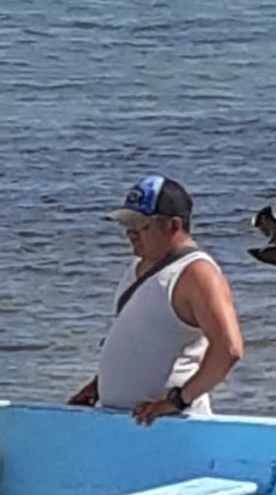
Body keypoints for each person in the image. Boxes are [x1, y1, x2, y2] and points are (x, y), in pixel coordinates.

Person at [69, 176, 243, 424]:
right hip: (127, 423)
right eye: (126, 224)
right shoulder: (139, 266)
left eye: (140, 225)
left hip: (172, 426)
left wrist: (177, 401)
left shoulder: (197, 274)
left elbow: (228, 349)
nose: (130, 233)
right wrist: (97, 386)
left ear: (173, 225)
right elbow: (142, 340)